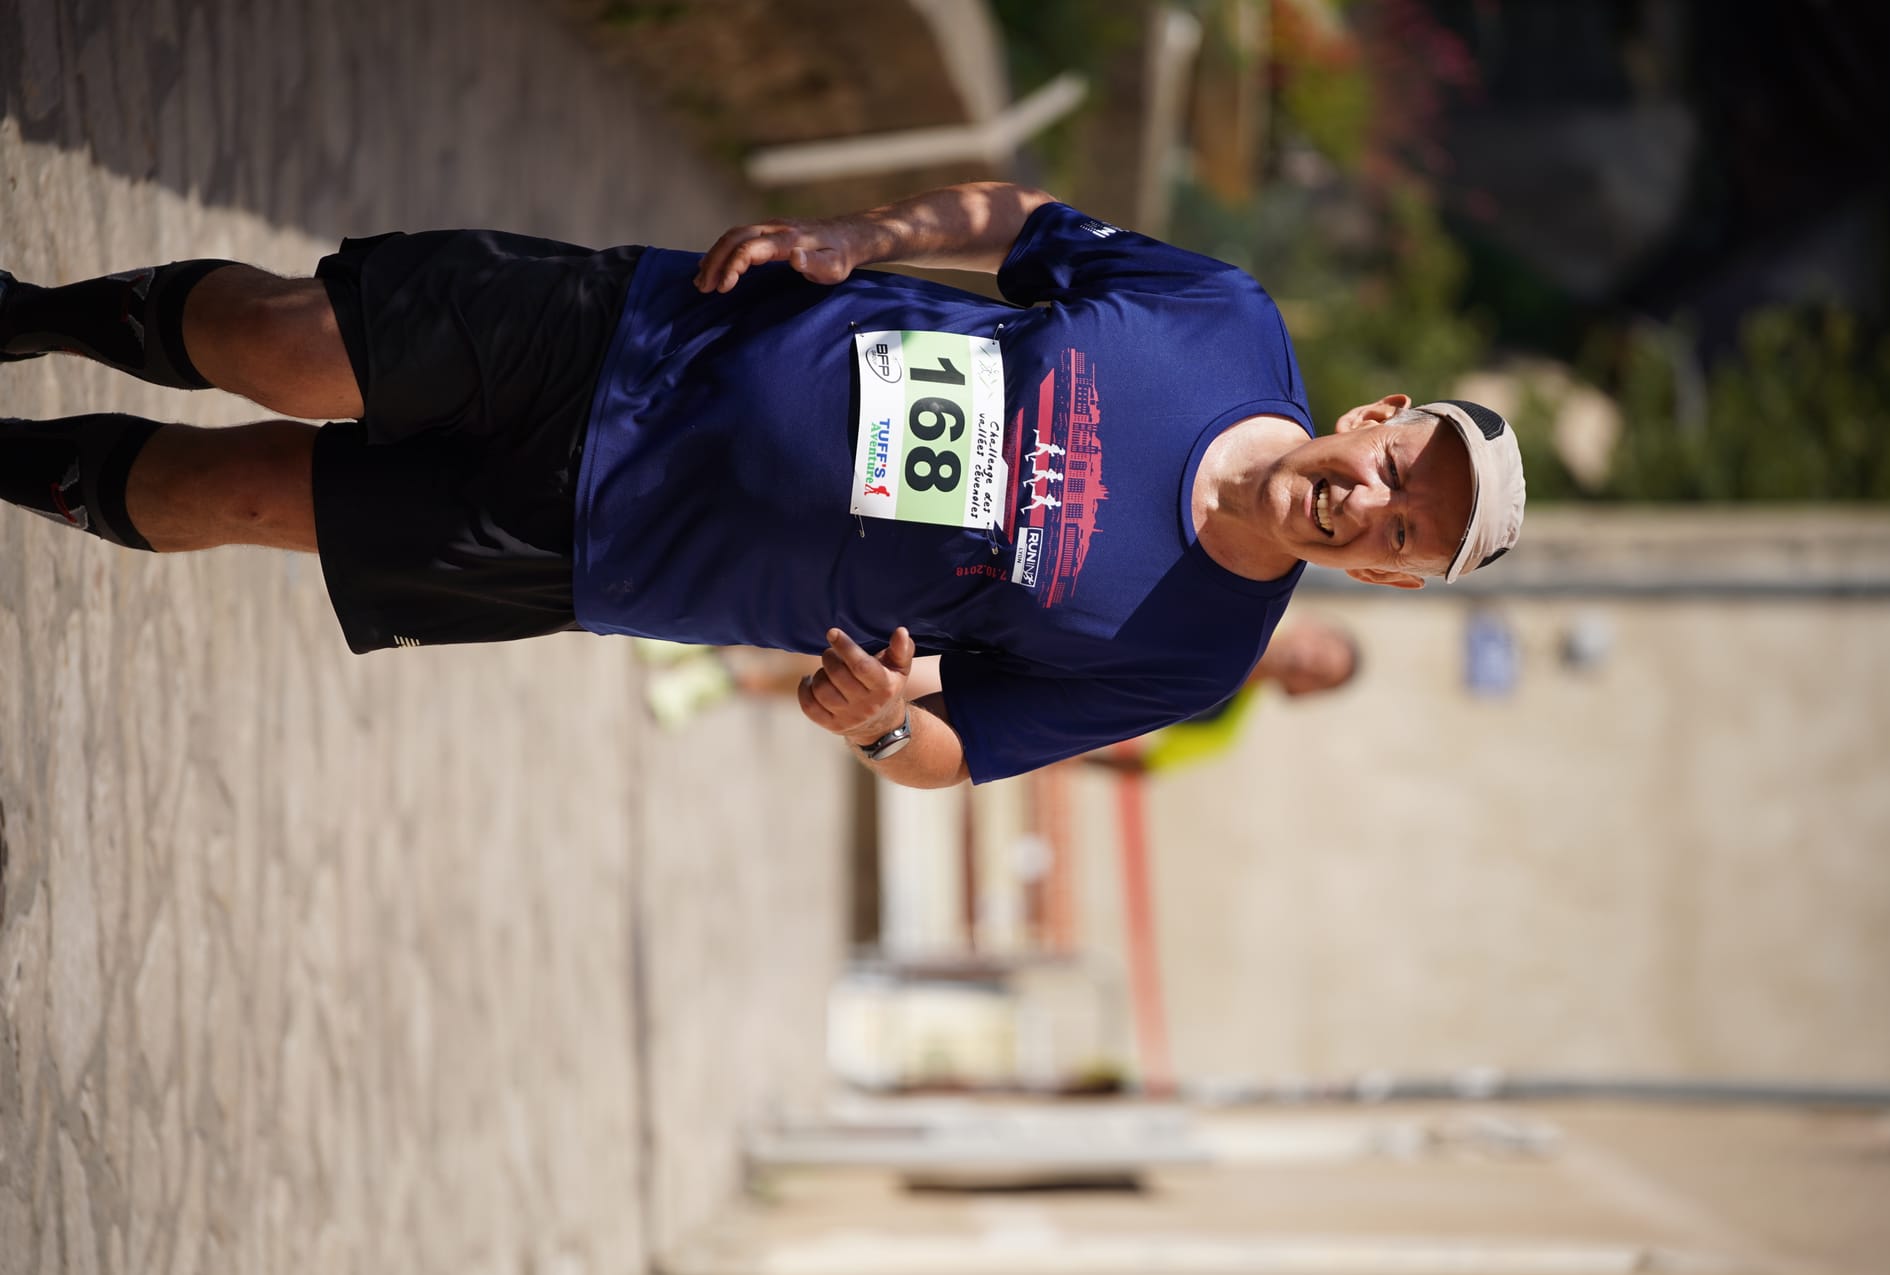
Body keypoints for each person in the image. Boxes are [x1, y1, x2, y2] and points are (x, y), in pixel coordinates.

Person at [0, 181, 1524, 788]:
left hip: (613, 549)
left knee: (236, 498)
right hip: (648, 334)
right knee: (285, 342)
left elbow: (959, 750)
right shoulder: (1222, 320)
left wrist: (881, 724)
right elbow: (1021, 221)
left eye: (1409, 536)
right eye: (1404, 468)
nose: (1376, 504)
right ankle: (33, 314)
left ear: (1388, 575)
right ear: (1380, 415)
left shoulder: (1189, 659)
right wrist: (864, 237)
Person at [1083, 617, 1361, 776]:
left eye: (1319, 675)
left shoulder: (1218, 728)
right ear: (1307, 626)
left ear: (1302, 695)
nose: (1307, 662)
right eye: (1319, 650)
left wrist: (1074, 758)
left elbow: (1146, 765)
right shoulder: (1233, 608)